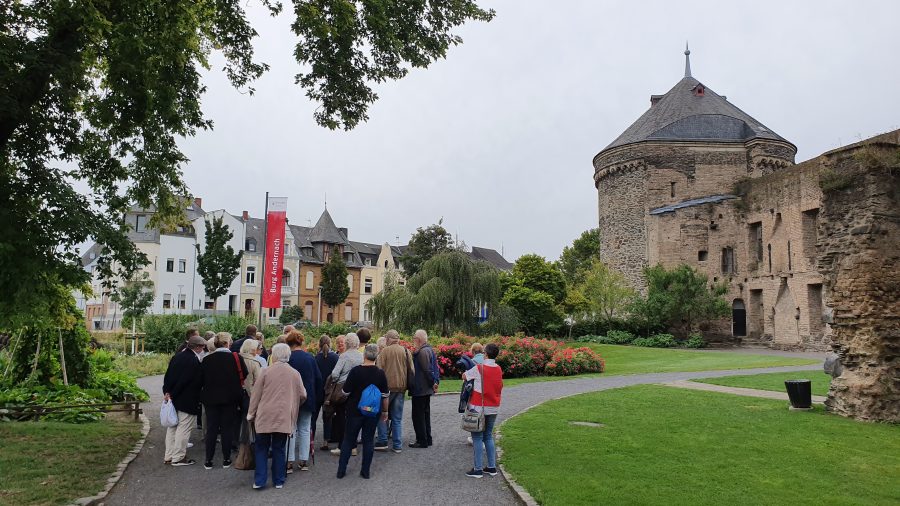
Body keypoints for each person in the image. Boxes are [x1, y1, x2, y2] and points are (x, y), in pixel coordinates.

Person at [247, 343, 306, 490]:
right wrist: (294, 404)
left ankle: (259, 481)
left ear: (273, 355)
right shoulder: (295, 373)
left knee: (261, 447)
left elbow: (256, 395)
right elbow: (303, 394)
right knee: (279, 448)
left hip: (264, 414)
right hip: (284, 415)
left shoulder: (265, 372)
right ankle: (279, 480)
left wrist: (251, 413)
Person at [337, 344, 388, 479]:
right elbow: (385, 395)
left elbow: (345, 391)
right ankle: (365, 471)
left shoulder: (355, 371)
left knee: (348, 440)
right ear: (376, 356)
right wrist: (385, 411)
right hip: (372, 412)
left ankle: (341, 470)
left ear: (364, 355)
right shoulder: (380, 373)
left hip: (354, 410)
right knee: (368, 440)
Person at [200, 332, 248, 470]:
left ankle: (208, 460)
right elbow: (244, 374)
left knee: (212, 428)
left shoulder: (207, 359)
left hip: (210, 398)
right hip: (230, 397)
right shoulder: (236, 358)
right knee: (227, 428)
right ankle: (226, 459)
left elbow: (201, 378)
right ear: (228, 343)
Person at [162, 334, 207, 466]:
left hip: (173, 398)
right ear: (198, 347)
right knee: (184, 428)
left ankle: (169, 456)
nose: (203, 349)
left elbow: (168, 376)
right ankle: (179, 457)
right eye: (202, 346)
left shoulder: (178, 356)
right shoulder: (193, 361)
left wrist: (167, 392)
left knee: (172, 427)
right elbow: (188, 381)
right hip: (187, 399)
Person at [463, 343, 503, 478]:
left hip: (479, 407)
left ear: (485, 354)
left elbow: (465, 376)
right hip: (494, 406)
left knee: (477, 437)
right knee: (488, 436)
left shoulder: (479, 368)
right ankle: (491, 467)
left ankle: (478, 469)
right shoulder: (499, 369)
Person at [286, 330, 322, 473]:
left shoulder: (287, 358)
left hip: (290, 399)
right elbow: (318, 379)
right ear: (301, 342)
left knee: (291, 429)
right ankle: (303, 460)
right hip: (308, 398)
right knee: (305, 429)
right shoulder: (310, 358)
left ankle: (289, 461)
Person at [374, 330, 414, 453]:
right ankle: (397, 445)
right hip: (401, 388)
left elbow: (378, 371)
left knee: (382, 414)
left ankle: (383, 440)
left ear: (389, 339)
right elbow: (412, 370)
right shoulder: (406, 351)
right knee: (397, 418)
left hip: (386, 388)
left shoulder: (384, 351)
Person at [329, 333, 362, 454]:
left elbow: (335, 374)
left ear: (347, 343)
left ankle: (342, 446)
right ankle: (353, 446)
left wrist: (336, 380)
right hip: (358, 390)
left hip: (344, 389)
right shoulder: (361, 356)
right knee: (353, 417)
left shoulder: (344, 356)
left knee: (342, 418)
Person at [409, 329, 439, 448]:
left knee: (418, 415)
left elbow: (427, 370)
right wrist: (435, 382)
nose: (413, 340)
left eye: (414, 338)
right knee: (425, 414)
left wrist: (433, 382)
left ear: (419, 339)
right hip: (425, 389)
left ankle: (422, 440)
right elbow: (434, 368)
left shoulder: (422, 352)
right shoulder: (429, 350)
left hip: (420, 389)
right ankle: (427, 438)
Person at [314, 335, 339, 450]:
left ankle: (310, 441)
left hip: (317, 390)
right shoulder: (335, 357)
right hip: (330, 391)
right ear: (330, 344)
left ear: (319, 344)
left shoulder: (315, 358)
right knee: (327, 416)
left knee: (313, 418)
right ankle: (326, 441)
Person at [238, 339, 263, 447]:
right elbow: (258, 383)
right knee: (250, 421)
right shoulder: (254, 362)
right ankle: (249, 446)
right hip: (249, 395)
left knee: (237, 420)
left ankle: (236, 442)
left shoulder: (236, 358)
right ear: (253, 349)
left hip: (236, 394)